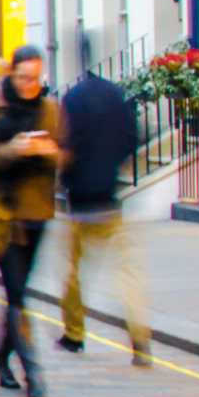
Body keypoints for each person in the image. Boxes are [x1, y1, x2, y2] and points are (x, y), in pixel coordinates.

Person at [0, 46, 61, 397]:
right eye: (23, 77)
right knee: (18, 293)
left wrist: (50, 153)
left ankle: (1, 360)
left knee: (16, 293)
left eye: (36, 78)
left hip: (37, 213)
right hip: (3, 215)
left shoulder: (50, 110)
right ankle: (33, 373)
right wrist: (14, 149)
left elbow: (65, 153)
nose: (30, 85)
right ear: (11, 74)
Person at [58, 49, 152, 366]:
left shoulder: (72, 99)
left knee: (74, 275)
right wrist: (112, 167)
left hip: (80, 202)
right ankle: (140, 339)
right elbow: (131, 137)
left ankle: (74, 335)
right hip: (110, 200)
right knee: (128, 275)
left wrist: (68, 177)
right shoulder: (114, 95)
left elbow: (64, 145)